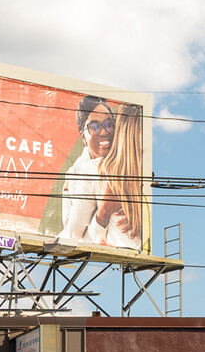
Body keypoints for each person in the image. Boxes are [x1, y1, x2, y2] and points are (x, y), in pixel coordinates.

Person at [55, 96, 115, 246]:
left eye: (108, 124)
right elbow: (73, 234)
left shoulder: (128, 166)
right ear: (83, 135)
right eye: (94, 127)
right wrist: (103, 216)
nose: (103, 132)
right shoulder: (75, 174)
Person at [95, 100, 149, 252]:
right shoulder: (107, 172)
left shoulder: (107, 170)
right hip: (131, 250)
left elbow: (94, 238)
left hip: (122, 249)